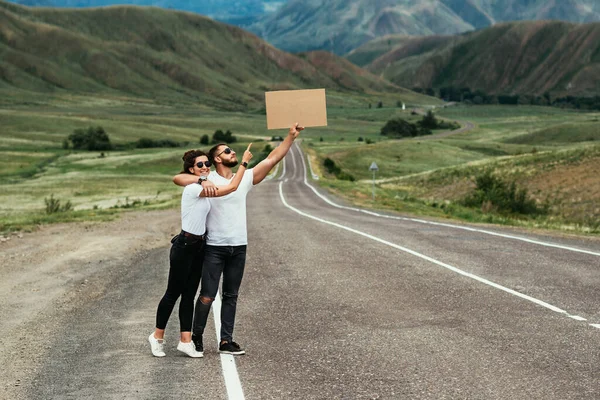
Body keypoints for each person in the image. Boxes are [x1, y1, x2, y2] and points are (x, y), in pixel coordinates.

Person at [173, 123, 304, 356]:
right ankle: (197, 338)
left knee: (231, 296)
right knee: (207, 295)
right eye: (227, 151)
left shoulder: (244, 177)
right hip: (214, 247)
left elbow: (272, 159)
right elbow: (179, 178)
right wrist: (201, 180)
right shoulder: (207, 178)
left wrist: (290, 137)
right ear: (217, 160)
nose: (232, 152)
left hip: (239, 246)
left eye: (232, 150)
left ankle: (226, 341)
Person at [149, 145, 253, 358]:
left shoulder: (204, 184)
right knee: (173, 294)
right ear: (191, 170)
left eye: (207, 163)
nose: (205, 167)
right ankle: (157, 336)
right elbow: (232, 187)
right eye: (200, 165)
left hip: (199, 247)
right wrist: (243, 163)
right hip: (184, 247)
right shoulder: (195, 188)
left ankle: (185, 341)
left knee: (189, 295)